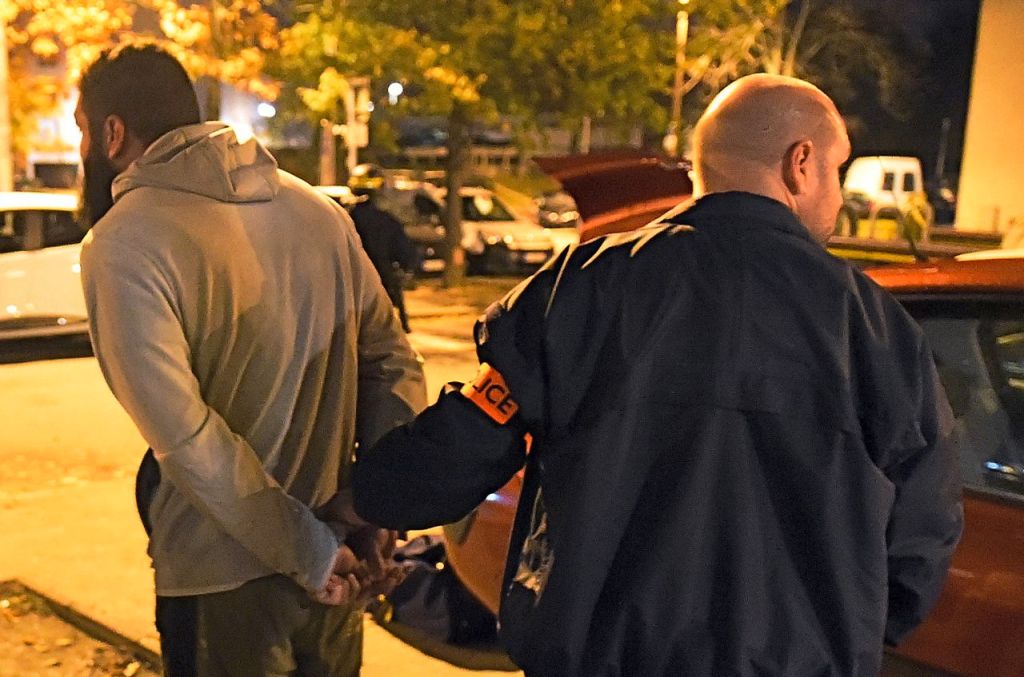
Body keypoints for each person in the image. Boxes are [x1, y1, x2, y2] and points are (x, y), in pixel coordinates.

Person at [352, 74, 963, 677]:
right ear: (801, 164)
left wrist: (361, 503)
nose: (835, 193)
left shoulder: (577, 289)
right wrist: (846, 629)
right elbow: (923, 526)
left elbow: (460, 446)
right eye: (836, 170)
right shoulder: (877, 328)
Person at [76, 41, 426, 676]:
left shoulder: (123, 242)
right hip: (342, 559)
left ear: (111, 132)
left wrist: (311, 551)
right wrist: (376, 508)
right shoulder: (317, 212)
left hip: (222, 577)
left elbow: (186, 440)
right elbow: (392, 360)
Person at [349, 189, 419, 333]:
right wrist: (407, 267)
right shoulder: (386, 220)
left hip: (350, 283)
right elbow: (404, 249)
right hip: (381, 281)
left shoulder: (344, 219)